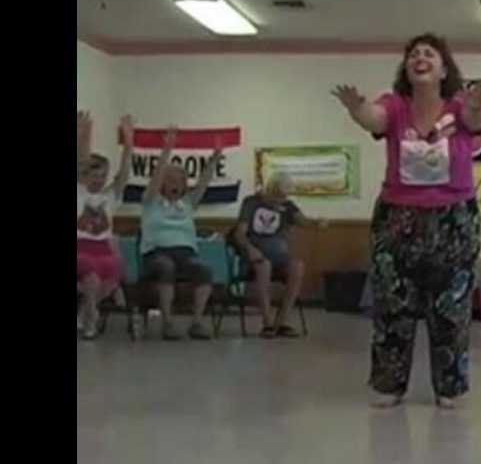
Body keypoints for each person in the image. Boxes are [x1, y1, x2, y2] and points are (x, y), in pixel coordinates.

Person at [331, 33, 481, 409]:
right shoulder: (395, 106)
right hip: (397, 218)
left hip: (454, 219)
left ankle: (449, 387)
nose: (420, 58)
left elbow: (474, 119)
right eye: (414, 54)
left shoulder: (459, 105)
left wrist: (479, 106)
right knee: (392, 304)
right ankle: (389, 384)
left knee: (451, 305)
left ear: (443, 68)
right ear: (407, 68)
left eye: (429, 53)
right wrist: (356, 110)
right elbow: (375, 118)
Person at [139, 126, 221, 341]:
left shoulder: (187, 203)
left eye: (180, 181)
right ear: (163, 184)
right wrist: (167, 148)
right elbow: (156, 177)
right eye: (171, 181)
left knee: (204, 270)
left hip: (185, 254)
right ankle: (167, 322)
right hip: (156, 254)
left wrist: (214, 158)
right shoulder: (151, 202)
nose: (176, 185)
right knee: (167, 267)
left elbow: (204, 181)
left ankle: (196, 322)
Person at [231, 173, 325, 338]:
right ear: (270, 189)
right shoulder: (251, 202)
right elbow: (240, 234)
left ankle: (282, 322)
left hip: (279, 256)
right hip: (254, 257)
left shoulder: (287, 206)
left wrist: (317, 223)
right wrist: (251, 250)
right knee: (264, 266)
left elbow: (303, 221)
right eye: (277, 195)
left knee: (297, 266)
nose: (280, 200)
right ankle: (267, 323)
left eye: (283, 197)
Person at [76, 111, 134, 340]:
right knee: (91, 277)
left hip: (104, 249)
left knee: (112, 274)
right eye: (94, 176)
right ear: (85, 176)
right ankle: (91, 320)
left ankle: (83, 313)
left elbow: (124, 175)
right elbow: (82, 160)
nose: (98, 180)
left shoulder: (111, 196)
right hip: (81, 247)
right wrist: (83, 135)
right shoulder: (79, 193)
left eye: (103, 176)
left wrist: (129, 144)